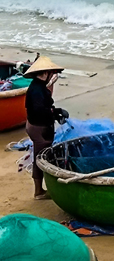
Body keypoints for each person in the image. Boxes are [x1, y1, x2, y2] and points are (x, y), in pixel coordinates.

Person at [24, 56, 68, 200]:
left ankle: (41, 189)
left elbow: (45, 106)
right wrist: (55, 112)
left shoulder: (39, 86)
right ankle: (38, 192)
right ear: (44, 73)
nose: (53, 75)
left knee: (41, 156)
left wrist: (55, 112)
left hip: (38, 125)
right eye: (51, 72)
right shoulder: (36, 90)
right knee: (40, 158)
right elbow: (39, 110)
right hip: (39, 128)